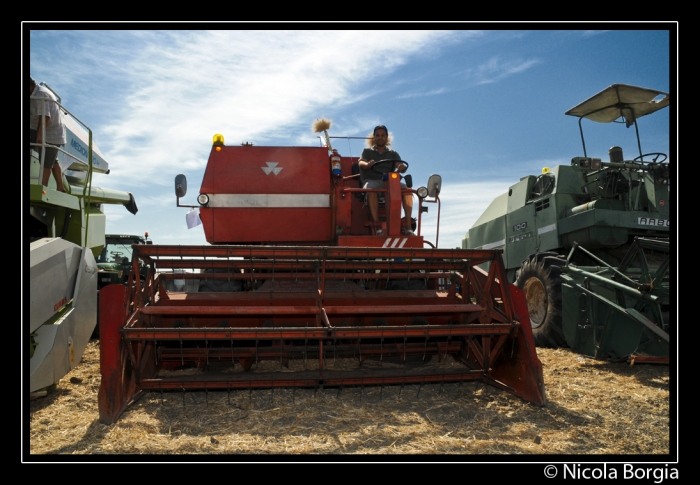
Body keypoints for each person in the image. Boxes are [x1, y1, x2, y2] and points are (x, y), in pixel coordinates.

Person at [358, 125, 414, 236]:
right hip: (372, 180)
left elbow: (398, 164)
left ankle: (408, 226)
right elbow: (361, 163)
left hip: (389, 182)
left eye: (383, 135)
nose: (380, 138)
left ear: (386, 137)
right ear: (374, 137)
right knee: (371, 189)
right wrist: (367, 164)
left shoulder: (393, 153)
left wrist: (401, 166)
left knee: (407, 191)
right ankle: (377, 225)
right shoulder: (367, 152)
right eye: (377, 135)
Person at [29, 76, 66, 192]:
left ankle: (42, 189)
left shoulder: (40, 94)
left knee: (46, 163)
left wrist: (39, 135)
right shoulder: (33, 94)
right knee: (53, 160)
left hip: (52, 133)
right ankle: (61, 187)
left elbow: (45, 117)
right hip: (42, 129)